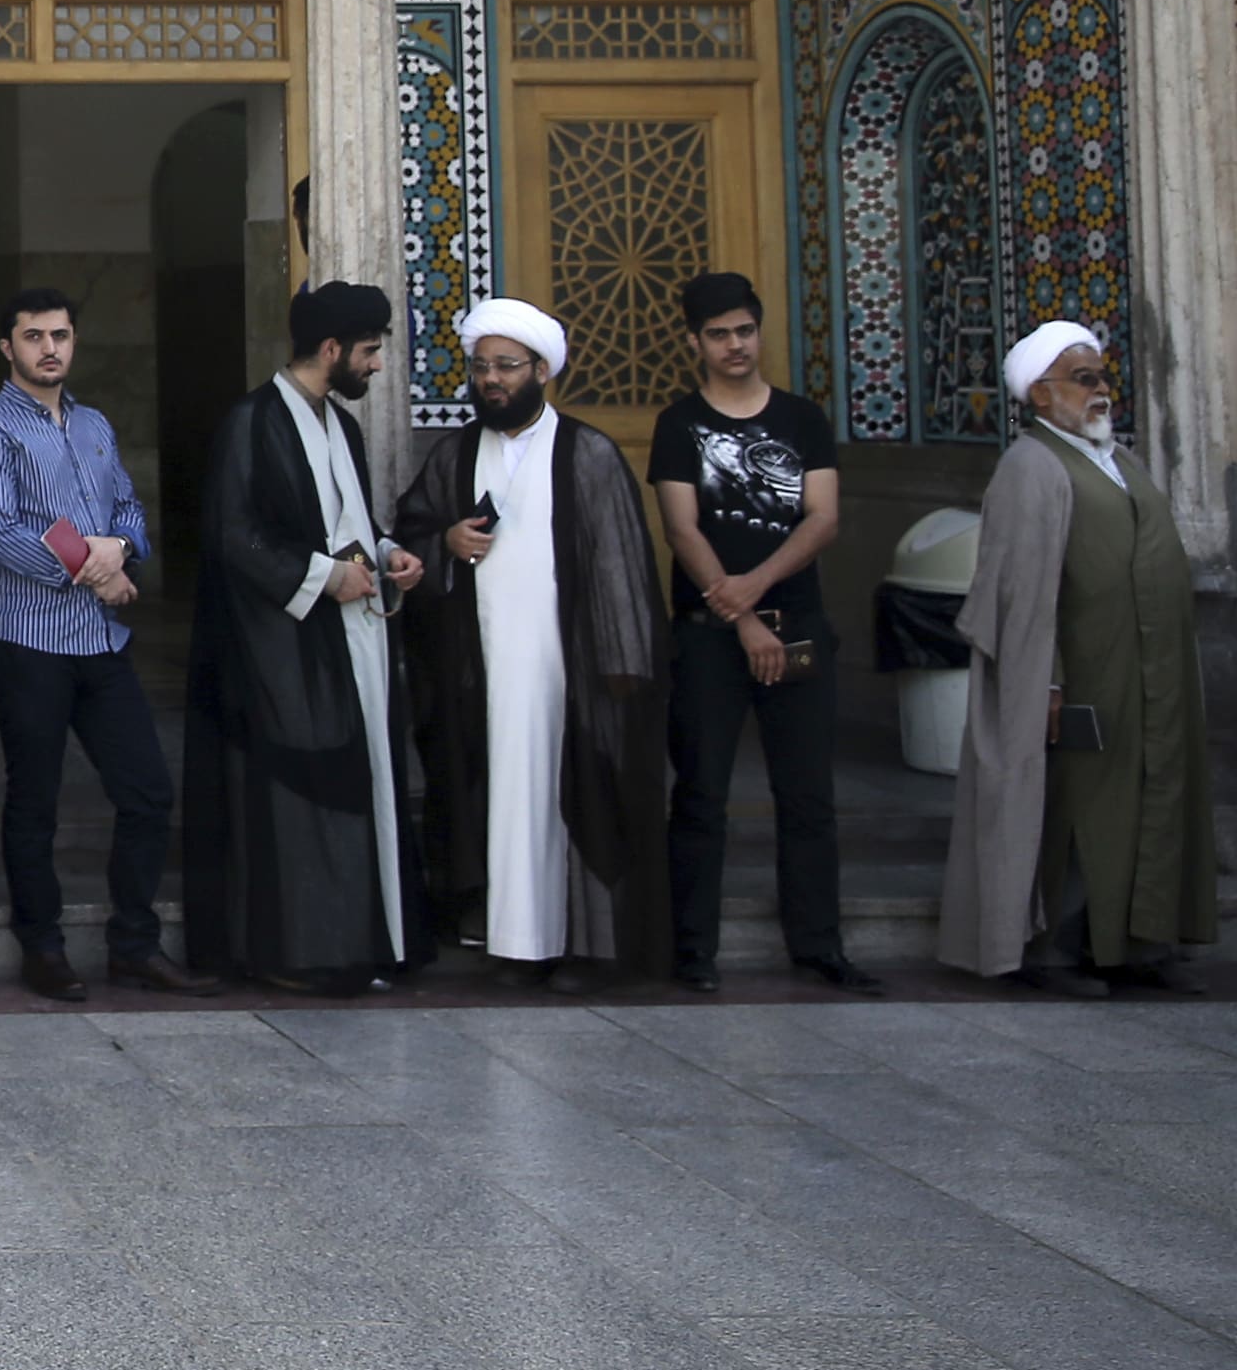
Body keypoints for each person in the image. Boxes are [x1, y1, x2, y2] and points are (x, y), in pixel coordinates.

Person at [394, 300, 670, 987]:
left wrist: (619, 672)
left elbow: (621, 569)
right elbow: (411, 532)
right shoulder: (456, 453)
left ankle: (577, 947)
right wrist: (446, 543)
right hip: (479, 674)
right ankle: (512, 944)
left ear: (541, 369)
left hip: (566, 673)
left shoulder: (589, 452)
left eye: (506, 366)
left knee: (567, 798)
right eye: (481, 366)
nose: (490, 379)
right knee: (496, 800)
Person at [939, 323, 1216, 999]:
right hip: (1077, 675)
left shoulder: (1117, 458)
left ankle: (1136, 943)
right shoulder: (1031, 465)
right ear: (1040, 392)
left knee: (1143, 798)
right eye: (1083, 378)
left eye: (1102, 376)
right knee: (1076, 810)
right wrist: (1050, 679)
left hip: (1146, 673)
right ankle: (1055, 950)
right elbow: (1021, 589)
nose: (1100, 391)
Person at [0, 286, 211, 1001]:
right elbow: (2, 532)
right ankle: (43, 947)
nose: (50, 349)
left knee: (148, 792)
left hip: (101, 643)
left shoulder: (95, 423)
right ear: (8, 346)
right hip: (27, 641)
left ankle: (134, 944)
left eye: (60, 335)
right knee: (35, 798)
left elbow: (129, 507)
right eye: (33, 336)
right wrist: (95, 571)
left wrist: (118, 548)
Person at [186, 281, 427, 994]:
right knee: (302, 788)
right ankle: (297, 951)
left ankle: (362, 942)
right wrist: (326, 577)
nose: (378, 366)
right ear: (331, 350)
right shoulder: (251, 422)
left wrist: (387, 556)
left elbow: (347, 519)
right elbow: (235, 535)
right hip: (282, 655)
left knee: (362, 778)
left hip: (354, 642)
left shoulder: (339, 425)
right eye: (371, 351)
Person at [651, 273, 876, 997]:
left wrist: (758, 589)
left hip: (798, 626)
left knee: (808, 796)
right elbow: (682, 528)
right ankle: (692, 951)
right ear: (696, 342)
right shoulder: (679, 424)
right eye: (719, 334)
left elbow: (823, 518)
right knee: (700, 795)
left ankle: (818, 945)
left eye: (744, 330)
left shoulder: (802, 419)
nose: (735, 344)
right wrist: (741, 615)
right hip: (711, 637)